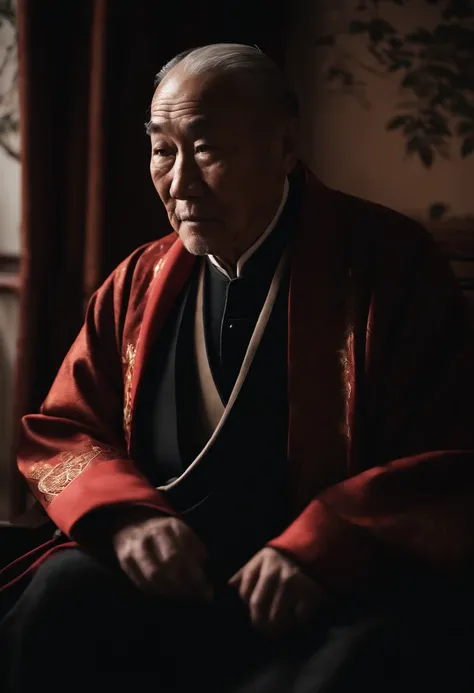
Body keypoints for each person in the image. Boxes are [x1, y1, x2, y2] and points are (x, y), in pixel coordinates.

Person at [1, 43, 474, 692]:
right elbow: (62, 426)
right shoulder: (138, 280)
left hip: (325, 588)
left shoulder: (388, 265)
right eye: (163, 150)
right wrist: (129, 517)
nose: (180, 181)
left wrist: (325, 545)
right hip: (171, 576)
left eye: (207, 149)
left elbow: (452, 454)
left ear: (284, 148)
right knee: (61, 591)